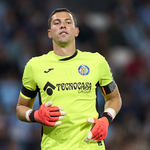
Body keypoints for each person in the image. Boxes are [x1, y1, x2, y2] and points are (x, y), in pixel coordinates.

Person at [16, 8, 122, 150]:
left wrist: (106, 119)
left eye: (68, 22)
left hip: (90, 145)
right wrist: (35, 115)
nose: (63, 25)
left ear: (76, 31)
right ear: (49, 33)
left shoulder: (96, 61)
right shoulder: (35, 66)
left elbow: (114, 98)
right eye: (57, 23)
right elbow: (21, 108)